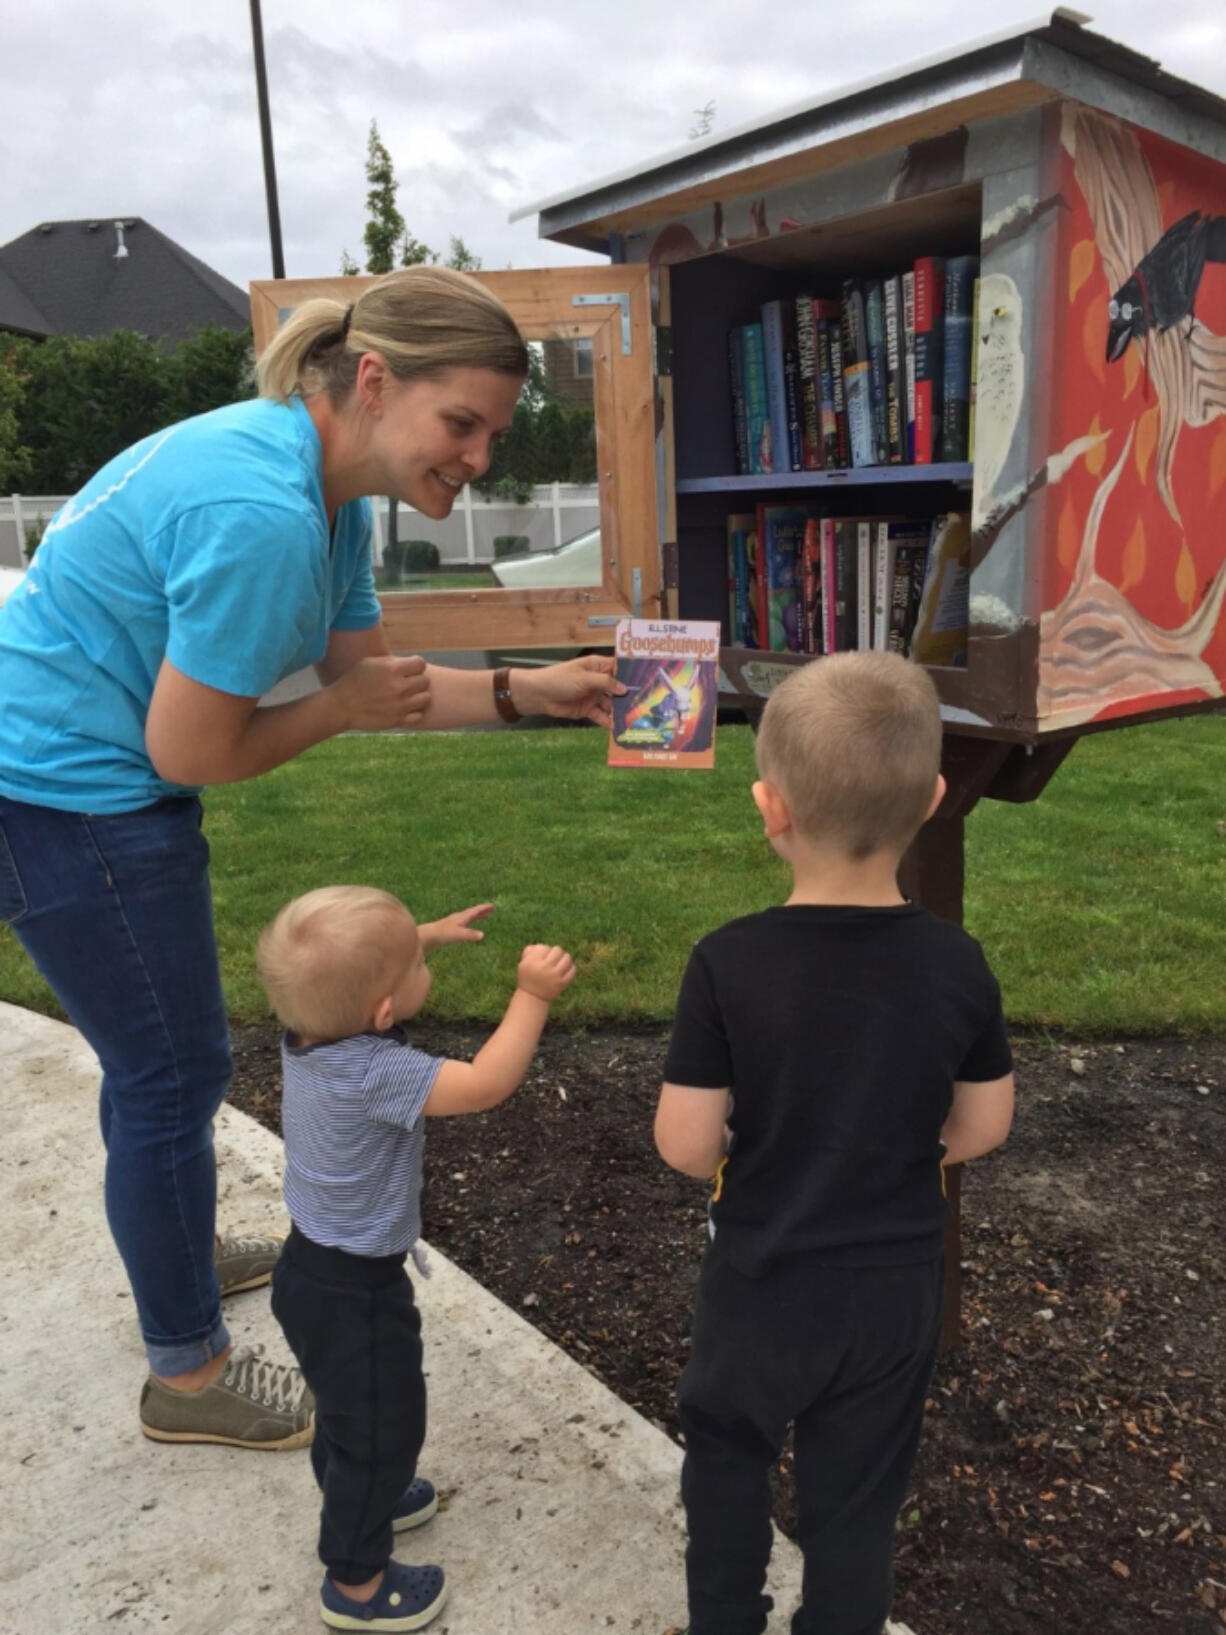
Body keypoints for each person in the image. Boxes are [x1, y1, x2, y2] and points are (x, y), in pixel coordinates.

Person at [0, 265, 620, 1451]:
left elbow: (369, 686)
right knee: (171, 1079)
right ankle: (186, 1379)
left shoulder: (313, 489)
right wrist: (335, 716)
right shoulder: (267, 516)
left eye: (492, 431)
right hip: (63, 796)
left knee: (161, 1077)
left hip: (52, 768)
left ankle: (173, 1250)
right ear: (375, 381)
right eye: (462, 423)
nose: (478, 456)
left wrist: (525, 690)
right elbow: (195, 748)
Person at [654, 651, 1015, 1635]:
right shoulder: (955, 962)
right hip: (892, 1293)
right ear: (934, 798)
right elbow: (982, 1125)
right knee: (855, 1501)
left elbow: (686, 1144)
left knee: (726, 1459)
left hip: (761, 1285)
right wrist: (894, 1148)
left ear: (768, 807)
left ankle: (723, 1619)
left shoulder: (726, 963)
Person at [256, 885, 573, 1632]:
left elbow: (349, 980)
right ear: (384, 1014)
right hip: (355, 1291)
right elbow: (487, 1083)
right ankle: (356, 1586)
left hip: (307, 1269)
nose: (422, 964)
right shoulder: (375, 1073)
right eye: (412, 965)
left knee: (350, 1413)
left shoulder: (305, 1031)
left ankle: (362, 1492)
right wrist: (531, 995)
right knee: (383, 1427)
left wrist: (415, 937)